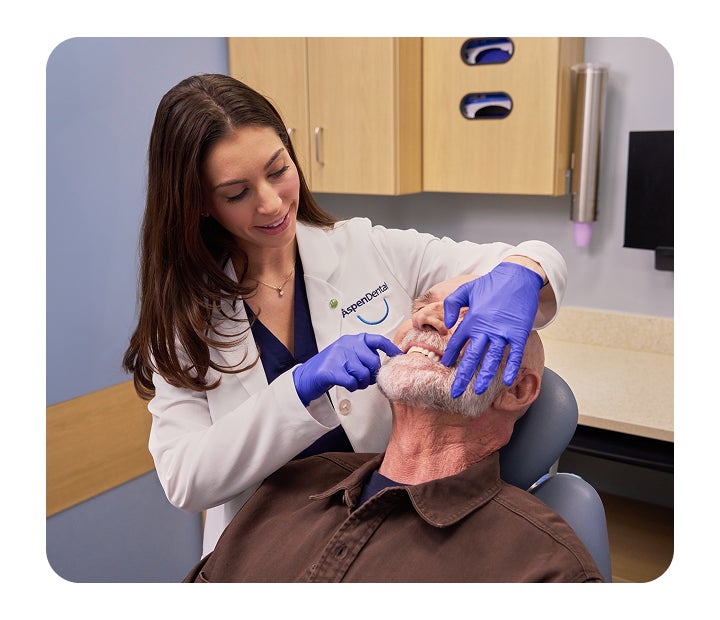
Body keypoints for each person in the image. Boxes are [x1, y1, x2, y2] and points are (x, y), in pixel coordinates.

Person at [122, 73, 569, 556]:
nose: (272, 203)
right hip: (266, 549)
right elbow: (185, 480)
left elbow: (528, 257)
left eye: (278, 170)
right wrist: (299, 388)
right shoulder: (186, 321)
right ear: (200, 204)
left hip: (387, 533)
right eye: (236, 193)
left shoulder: (368, 248)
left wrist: (524, 274)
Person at [184, 275, 603, 583]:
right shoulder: (283, 492)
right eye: (422, 305)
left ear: (516, 390)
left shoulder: (544, 570)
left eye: (469, 316)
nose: (427, 318)